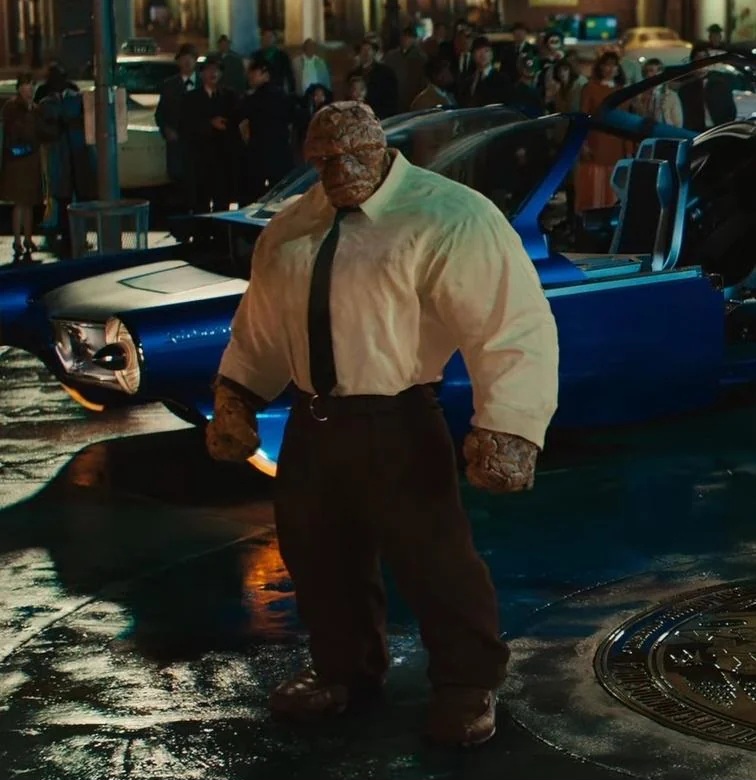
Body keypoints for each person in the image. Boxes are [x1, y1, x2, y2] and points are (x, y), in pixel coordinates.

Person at [205, 101, 558, 747]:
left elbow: (510, 325)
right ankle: (343, 669)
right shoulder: (293, 224)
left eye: (352, 156)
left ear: (380, 148)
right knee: (318, 555)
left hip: (397, 418)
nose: (339, 171)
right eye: (324, 160)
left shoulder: (448, 215)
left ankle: (466, 682)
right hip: (313, 421)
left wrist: (510, 426)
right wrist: (237, 394)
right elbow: (261, 324)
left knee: (434, 558)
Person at [38, 68, 97, 257]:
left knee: (82, 198)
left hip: (78, 155)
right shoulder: (47, 103)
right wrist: (57, 126)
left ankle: (80, 236)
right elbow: (43, 129)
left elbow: (88, 122)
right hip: (60, 157)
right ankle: (67, 238)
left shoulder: (76, 98)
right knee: (63, 200)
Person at [179, 55, 237, 219]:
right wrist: (209, 124)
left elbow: (237, 120)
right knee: (200, 202)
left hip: (223, 158)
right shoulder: (191, 98)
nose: (214, 73)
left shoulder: (229, 96)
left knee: (222, 202)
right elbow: (185, 125)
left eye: (217, 70)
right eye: (210, 70)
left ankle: (221, 232)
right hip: (200, 158)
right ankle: (202, 232)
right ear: (202, 73)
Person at [575, 51, 631, 213]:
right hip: (596, 144)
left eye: (614, 65)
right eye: (607, 65)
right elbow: (583, 115)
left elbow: (627, 121)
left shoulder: (623, 91)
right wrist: (583, 143)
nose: (610, 69)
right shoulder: (590, 88)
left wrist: (629, 148)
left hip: (617, 145)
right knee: (595, 187)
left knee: (615, 188)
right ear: (600, 67)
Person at [236, 58, 295, 205]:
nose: (250, 76)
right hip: (280, 153)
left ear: (265, 73)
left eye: (254, 72)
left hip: (259, 155)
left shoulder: (254, 99)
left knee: (256, 197)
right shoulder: (283, 96)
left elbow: (240, 119)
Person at [0, 74, 46, 261]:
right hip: (17, 160)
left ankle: (28, 238)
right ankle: (17, 240)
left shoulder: (35, 108)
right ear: (20, 88)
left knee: (30, 202)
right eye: (27, 87)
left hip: (31, 160)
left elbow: (40, 131)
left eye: (32, 87)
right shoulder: (12, 107)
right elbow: (13, 131)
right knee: (20, 203)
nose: (30, 91)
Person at [155, 43, 198, 213]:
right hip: (177, 144)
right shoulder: (169, 85)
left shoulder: (205, 82)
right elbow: (160, 114)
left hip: (200, 144)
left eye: (190, 59)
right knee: (179, 184)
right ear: (178, 62)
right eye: (183, 59)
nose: (187, 62)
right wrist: (166, 129)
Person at [678, 42, 736, 131]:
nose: (702, 61)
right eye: (698, 58)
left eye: (705, 58)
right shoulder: (685, 86)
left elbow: (730, 109)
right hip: (696, 132)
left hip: (717, 130)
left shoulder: (719, 82)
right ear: (693, 61)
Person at [383, 26, 428, 114]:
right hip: (394, 97)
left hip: (413, 96)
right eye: (404, 37)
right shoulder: (391, 56)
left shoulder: (421, 58)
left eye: (409, 37)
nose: (405, 40)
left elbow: (423, 81)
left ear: (414, 39)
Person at [349, 39, 398, 119]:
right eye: (363, 50)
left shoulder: (386, 72)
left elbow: (391, 98)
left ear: (374, 52)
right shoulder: (353, 74)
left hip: (380, 115)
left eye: (369, 49)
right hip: (358, 117)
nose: (366, 53)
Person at [460, 36, 511, 108]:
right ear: (473, 55)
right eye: (478, 51)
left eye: (486, 51)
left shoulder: (502, 79)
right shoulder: (469, 80)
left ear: (491, 55)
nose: (483, 55)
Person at [634, 58, 683, 128]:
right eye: (651, 70)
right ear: (645, 74)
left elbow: (678, 124)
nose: (655, 74)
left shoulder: (672, 96)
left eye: (658, 70)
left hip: (665, 131)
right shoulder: (638, 96)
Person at [252, 29, 295, 94]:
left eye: (270, 37)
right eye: (265, 37)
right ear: (262, 39)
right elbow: (252, 73)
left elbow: (289, 74)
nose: (267, 39)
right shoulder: (256, 55)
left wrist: (292, 90)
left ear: (275, 39)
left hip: (277, 91)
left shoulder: (283, 56)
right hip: (260, 91)